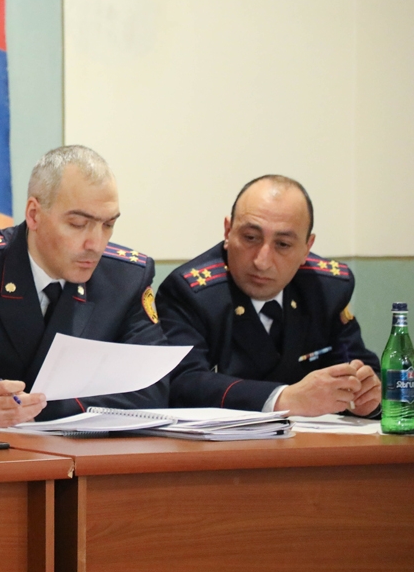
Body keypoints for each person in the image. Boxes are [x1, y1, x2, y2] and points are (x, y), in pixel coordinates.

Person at [0, 145, 169, 428]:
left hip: (86, 450)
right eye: (78, 224)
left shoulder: (126, 278)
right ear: (34, 214)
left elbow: (153, 389)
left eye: (108, 225)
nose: (96, 244)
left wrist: (48, 409)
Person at [156, 175, 381, 416]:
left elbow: (356, 365)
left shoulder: (326, 288)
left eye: (283, 244)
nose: (262, 262)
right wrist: (282, 399)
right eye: (250, 238)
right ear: (228, 231)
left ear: (307, 247)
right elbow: (182, 383)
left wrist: (366, 397)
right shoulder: (191, 293)